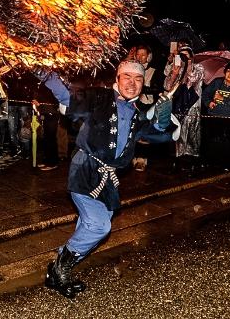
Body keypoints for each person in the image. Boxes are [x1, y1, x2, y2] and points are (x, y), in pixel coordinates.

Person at [36, 60, 174, 298]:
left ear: (143, 83)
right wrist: (45, 73)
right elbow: (68, 98)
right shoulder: (98, 97)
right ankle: (59, 269)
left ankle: (59, 268)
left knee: (89, 225)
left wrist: (163, 118)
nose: (132, 83)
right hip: (85, 168)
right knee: (99, 225)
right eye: (127, 77)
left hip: (109, 176)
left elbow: (161, 137)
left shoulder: (137, 114)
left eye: (138, 79)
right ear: (117, 79)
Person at [164, 41, 205, 170]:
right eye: (181, 55)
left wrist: (188, 66)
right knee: (177, 134)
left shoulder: (198, 68)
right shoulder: (176, 68)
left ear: (192, 57)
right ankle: (175, 161)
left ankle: (192, 163)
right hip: (177, 106)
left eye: (186, 55)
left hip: (192, 107)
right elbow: (167, 86)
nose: (184, 58)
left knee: (192, 135)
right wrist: (175, 72)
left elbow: (193, 80)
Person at [128, 42, 164, 171]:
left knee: (144, 135)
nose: (140, 57)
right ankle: (131, 157)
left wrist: (143, 88)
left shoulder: (154, 71)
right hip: (131, 105)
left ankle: (142, 160)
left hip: (146, 106)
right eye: (138, 54)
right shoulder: (131, 69)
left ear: (148, 56)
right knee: (131, 133)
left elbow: (158, 89)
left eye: (143, 55)